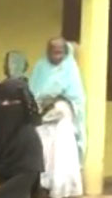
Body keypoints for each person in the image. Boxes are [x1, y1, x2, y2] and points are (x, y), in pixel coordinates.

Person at [29, 37, 89, 165]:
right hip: (42, 120)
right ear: (48, 51)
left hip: (63, 124)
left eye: (60, 52)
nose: (57, 56)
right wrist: (43, 102)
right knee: (43, 156)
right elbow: (33, 92)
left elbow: (77, 98)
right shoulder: (41, 66)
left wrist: (58, 99)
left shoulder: (70, 68)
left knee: (61, 160)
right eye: (54, 52)